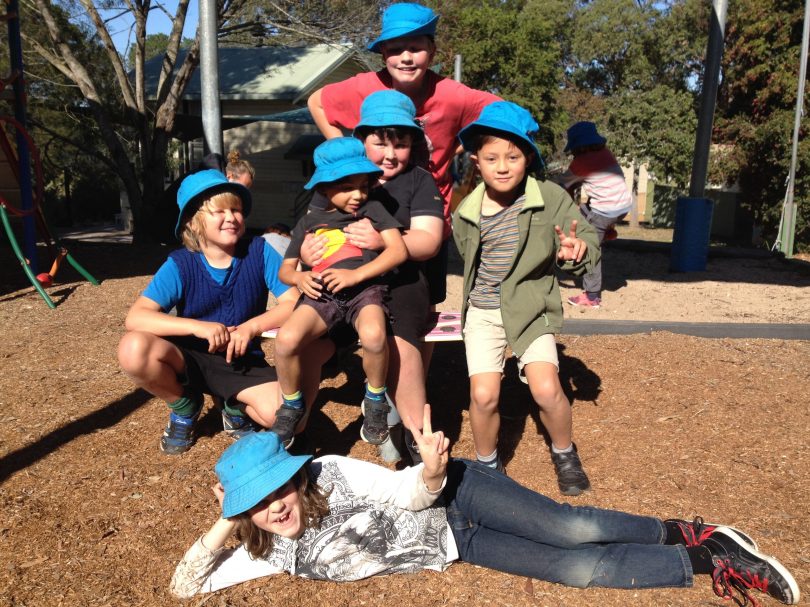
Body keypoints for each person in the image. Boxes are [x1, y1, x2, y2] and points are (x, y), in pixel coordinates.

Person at [170, 406, 799, 607]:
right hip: (458, 545)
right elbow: (183, 587)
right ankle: (710, 559)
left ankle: (684, 529)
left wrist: (434, 470)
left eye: (278, 489)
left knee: (570, 527)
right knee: (575, 570)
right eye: (259, 505)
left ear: (294, 477)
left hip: (457, 494)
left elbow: (406, 493)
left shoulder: (328, 474)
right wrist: (227, 522)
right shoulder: (265, 551)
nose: (277, 507)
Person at [307, 1, 501, 306]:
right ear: (384, 54)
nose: (406, 57)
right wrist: (350, 157)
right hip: (369, 209)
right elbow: (317, 101)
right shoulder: (365, 87)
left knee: (424, 304)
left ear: (432, 51)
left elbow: (500, 113)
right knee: (360, 298)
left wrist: (458, 148)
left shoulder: (452, 95)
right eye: (396, 49)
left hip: (426, 216)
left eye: (415, 47)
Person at [452, 102, 600, 494]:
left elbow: (585, 240)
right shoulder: (466, 210)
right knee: (482, 396)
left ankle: (565, 451)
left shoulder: (549, 197)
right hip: (483, 311)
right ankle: (488, 466)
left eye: (513, 156)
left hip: (531, 306)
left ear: (527, 158)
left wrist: (575, 253)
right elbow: (469, 261)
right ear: (477, 162)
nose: (502, 166)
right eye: (492, 157)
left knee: (547, 389)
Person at [117, 170, 312, 454]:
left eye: (236, 209)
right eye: (219, 211)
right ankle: (184, 404)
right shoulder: (181, 263)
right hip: (190, 359)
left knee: (293, 420)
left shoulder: (259, 251)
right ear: (194, 222)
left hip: (240, 362)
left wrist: (250, 328)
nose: (231, 217)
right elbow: (136, 318)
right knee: (133, 348)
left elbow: (293, 302)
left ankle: (232, 406)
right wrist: (197, 327)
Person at [302, 90, 444, 464]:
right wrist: (305, 252)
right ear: (362, 140)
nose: (390, 154)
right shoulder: (338, 178)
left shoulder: (419, 181)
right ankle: (294, 427)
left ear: (413, 144)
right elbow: (310, 231)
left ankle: (417, 441)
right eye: (380, 143)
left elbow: (428, 241)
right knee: (301, 341)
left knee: (402, 346)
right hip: (340, 280)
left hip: (401, 280)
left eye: (401, 144)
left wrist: (382, 240)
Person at [273, 138, 408, 447]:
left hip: (365, 290)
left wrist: (357, 274)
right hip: (322, 294)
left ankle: (375, 401)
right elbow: (286, 269)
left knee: (374, 335)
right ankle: (292, 404)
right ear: (324, 188)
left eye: (363, 185)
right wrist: (299, 279)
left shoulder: (374, 209)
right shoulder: (308, 222)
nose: (358, 194)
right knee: (286, 340)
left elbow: (397, 251)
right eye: (347, 187)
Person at [553, 121, 633, 309]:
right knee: (583, 211)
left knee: (589, 246)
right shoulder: (606, 154)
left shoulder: (581, 162)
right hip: (622, 206)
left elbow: (562, 185)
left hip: (606, 210)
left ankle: (592, 296)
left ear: (577, 146)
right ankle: (605, 230)